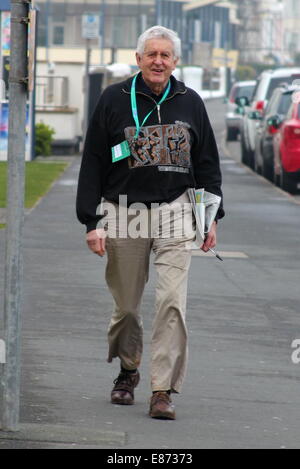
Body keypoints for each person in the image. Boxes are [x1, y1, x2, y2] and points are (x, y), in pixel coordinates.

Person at [76, 25, 225, 420]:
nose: (158, 61)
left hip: (175, 210)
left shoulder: (189, 101)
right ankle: (128, 370)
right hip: (124, 210)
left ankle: (163, 389)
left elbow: (207, 162)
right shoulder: (113, 99)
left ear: (176, 62)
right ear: (138, 58)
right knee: (126, 307)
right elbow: (93, 160)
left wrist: (211, 217)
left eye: (166, 55)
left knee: (172, 303)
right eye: (151, 54)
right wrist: (91, 220)